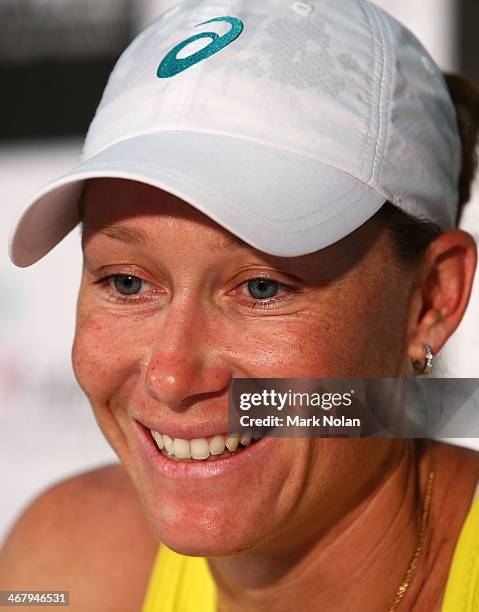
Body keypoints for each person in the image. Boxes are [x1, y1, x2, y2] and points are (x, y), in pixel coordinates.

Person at [2, 0, 479, 610]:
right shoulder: (66, 566)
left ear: (431, 301)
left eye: (261, 288)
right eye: (126, 282)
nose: (171, 377)